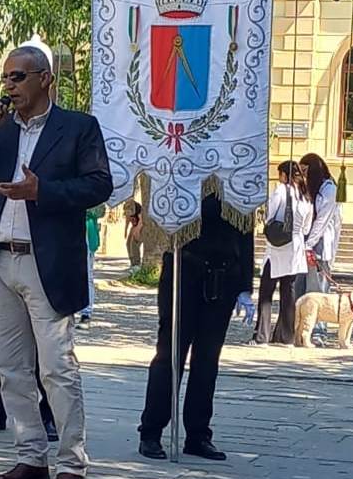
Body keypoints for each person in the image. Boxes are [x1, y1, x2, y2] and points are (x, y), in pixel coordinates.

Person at [0, 46, 112, 479]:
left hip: (45, 262)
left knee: (56, 368)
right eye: (6, 78)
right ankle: (31, 457)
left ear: (44, 79)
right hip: (0, 261)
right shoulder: (3, 129)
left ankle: (71, 465)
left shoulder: (78, 127)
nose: (9, 86)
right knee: (10, 368)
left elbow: (99, 184)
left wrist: (42, 191)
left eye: (18, 77)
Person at [137, 190, 255, 462]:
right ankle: (151, 431)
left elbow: (246, 231)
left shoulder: (239, 176)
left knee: (207, 360)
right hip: (184, 270)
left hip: (224, 275)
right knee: (170, 354)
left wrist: (245, 285)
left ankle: (198, 434)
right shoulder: (187, 172)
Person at [252, 161, 312, 345]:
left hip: (278, 246)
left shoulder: (281, 190)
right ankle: (285, 336)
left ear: (285, 175)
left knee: (266, 291)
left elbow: (270, 215)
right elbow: (306, 227)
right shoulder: (306, 197)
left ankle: (262, 334)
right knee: (288, 292)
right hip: (296, 246)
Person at [297, 152, 342, 344]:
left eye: (305, 171)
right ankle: (300, 329)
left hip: (320, 245)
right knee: (301, 289)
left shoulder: (329, 189)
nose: (303, 175)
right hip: (306, 242)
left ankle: (319, 331)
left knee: (318, 290)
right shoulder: (311, 189)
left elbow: (322, 221)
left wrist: (309, 245)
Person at [78, 204, 106, 328]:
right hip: (66, 233)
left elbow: (101, 210)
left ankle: (86, 313)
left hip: (87, 234)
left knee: (87, 275)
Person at [124, 201, 144, 271]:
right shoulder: (127, 210)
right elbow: (127, 220)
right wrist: (126, 230)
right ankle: (132, 263)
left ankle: (137, 263)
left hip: (141, 227)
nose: (128, 213)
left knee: (134, 244)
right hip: (134, 227)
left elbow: (141, 222)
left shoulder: (138, 210)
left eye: (129, 211)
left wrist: (137, 231)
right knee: (128, 243)